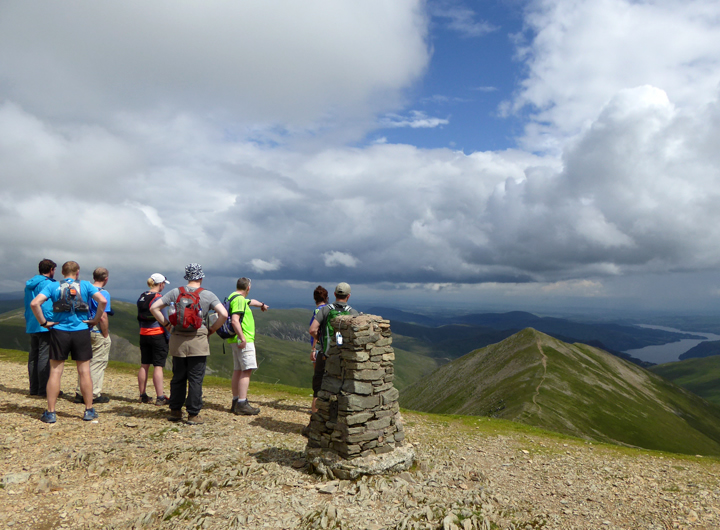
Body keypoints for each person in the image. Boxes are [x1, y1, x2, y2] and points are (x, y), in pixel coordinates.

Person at [149, 263, 227, 425]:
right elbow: (224, 314)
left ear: (187, 276)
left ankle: (175, 411)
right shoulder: (208, 295)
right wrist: (212, 329)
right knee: (195, 378)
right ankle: (193, 414)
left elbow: (154, 307)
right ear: (200, 277)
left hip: (177, 340)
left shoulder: (175, 292)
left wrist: (167, 325)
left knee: (178, 377)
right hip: (198, 340)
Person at [30, 261, 107, 423]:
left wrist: (44, 322)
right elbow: (103, 301)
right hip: (81, 331)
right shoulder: (85, 285)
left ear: (62, 273)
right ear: (77, 272)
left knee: (56, 371)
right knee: (84, 371)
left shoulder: (53, 286)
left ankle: (51, 413)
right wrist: (95, 319)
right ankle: (89, 410)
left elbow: (35, 303)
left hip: (59, 332)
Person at [304, 283, 358, 435]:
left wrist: (320, 340)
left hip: (325, 355)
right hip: (344, 359)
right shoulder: (353, 313)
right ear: (348, 296)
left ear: (334, 294)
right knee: (343, 391)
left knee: (318, 390)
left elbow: (312, 330)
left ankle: (314, 426)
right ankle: (342, 428)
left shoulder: (325, 310)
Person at [226, 277, 268, 415]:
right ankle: (242, 403)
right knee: (246, 370)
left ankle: (236, 401)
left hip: (235, 340)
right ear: (248, 288)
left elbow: (251, 301)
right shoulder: (239, 299)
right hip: (244, 339)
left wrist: (261, 304)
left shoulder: (235, 297)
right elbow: (235, 320)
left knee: (238, 370)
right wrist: (242, 337)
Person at [74, 267, 112, 404]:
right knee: (97, 363)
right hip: (96, 330)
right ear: (106, 279)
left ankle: (80, 392)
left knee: (84, 362)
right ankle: (93, 393)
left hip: (83, 328)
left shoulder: (85, 290)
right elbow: (103, 316)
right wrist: (105, 333)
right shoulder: (104, 293)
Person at [23, 259, 57, 397]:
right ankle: (44, 390)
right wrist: (51, 322)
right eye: (54, 269)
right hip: (44, 324)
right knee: (44, 356)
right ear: (50, 270)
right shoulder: (49, 284)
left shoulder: (29, 284)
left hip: (32, 322)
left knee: (33, 357)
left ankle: (34, 388)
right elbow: (47, 307)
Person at [137, 273, 171, 405]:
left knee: (144, 364)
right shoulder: (158, 298)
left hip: (143, 333)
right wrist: (168, 335)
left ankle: (142, 395)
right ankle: (160, 397)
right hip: (157, 334)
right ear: (161, 284)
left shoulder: (142, 296)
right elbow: (163, 317)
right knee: (158, 366)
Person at [308, 285, 328, 413]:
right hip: (326, 347)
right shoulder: (327, 309)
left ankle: (316, 409)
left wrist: (314, 348)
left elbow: (315, 331)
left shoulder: (318, 311)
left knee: (318, 378)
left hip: (319, 348)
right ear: (326, 297)